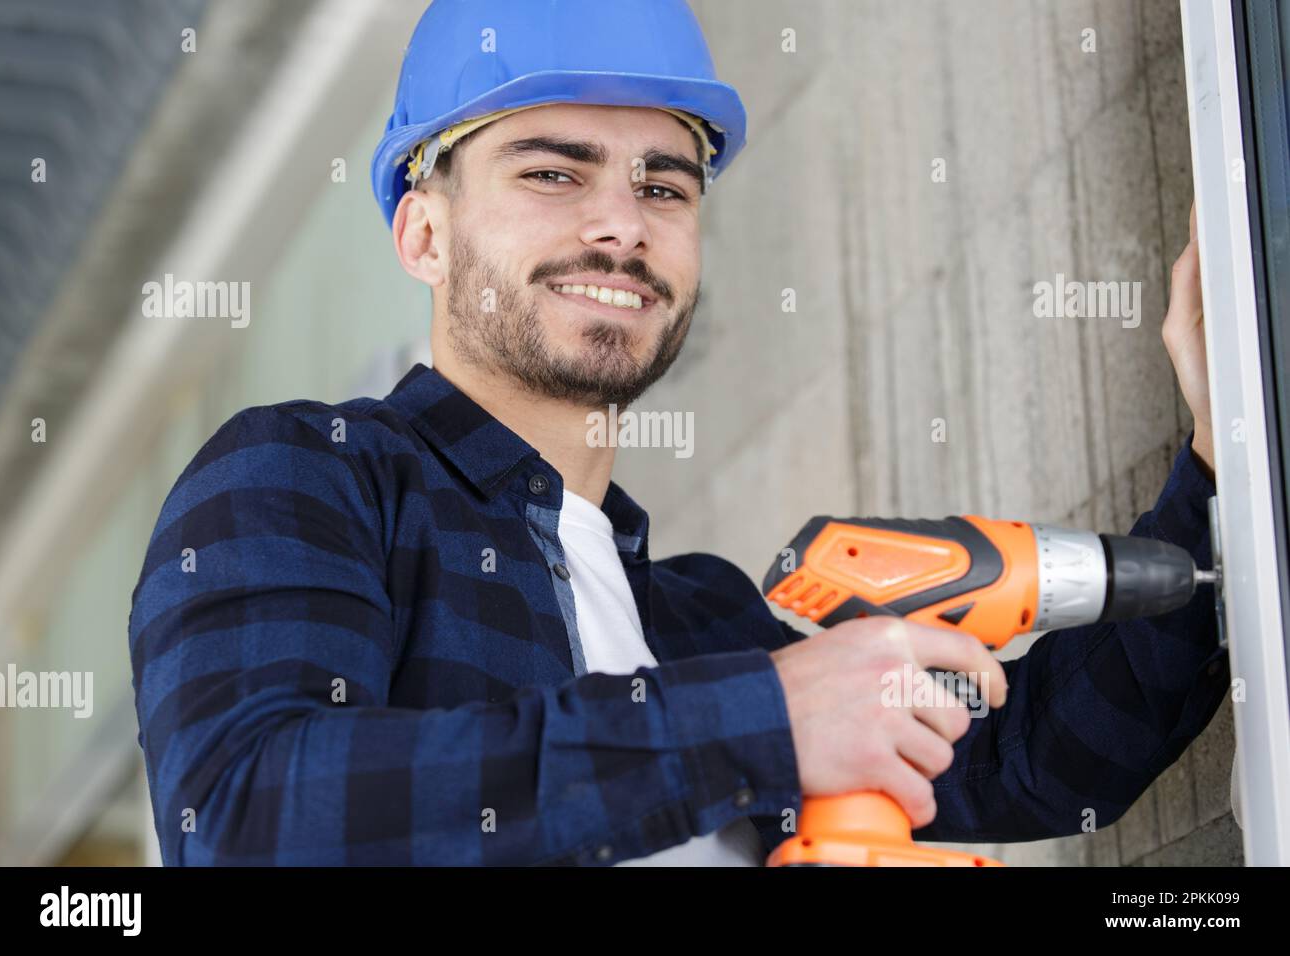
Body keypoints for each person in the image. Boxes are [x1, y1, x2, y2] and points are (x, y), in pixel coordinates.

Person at [128, 0, 1227, 865]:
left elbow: (1039, 760)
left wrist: (1216, 467)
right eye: (552, 171)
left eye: (665, 184)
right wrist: (762, 717)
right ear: (425, 230)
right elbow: (249, 817)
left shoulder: (698, 618)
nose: (620, 222)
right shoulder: (308, 475)